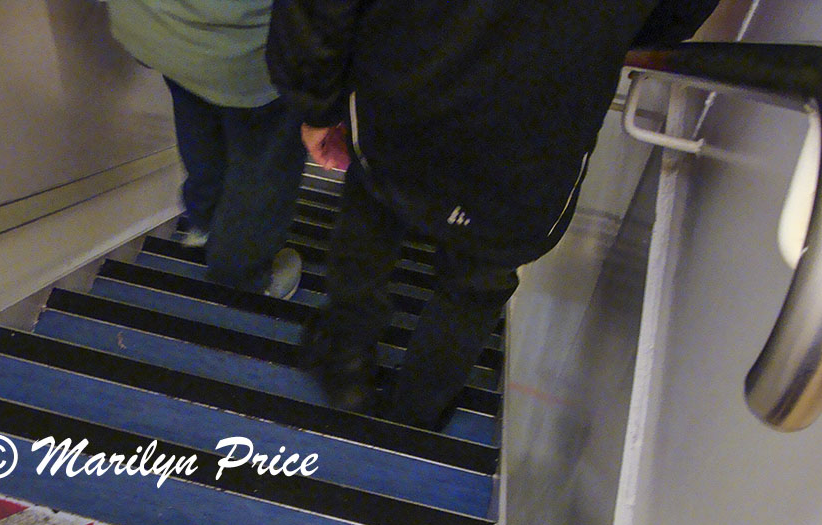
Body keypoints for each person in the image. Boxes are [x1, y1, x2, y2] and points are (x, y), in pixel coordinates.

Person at [267, 1, 721, 428]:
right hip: (541, 117)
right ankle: (420, 407)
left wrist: (316, 103)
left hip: (410, 74)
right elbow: (674, 15)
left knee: (373, 213)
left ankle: (346, 361)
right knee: (478, 280)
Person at [107, 0, 306, 299]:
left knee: (196, 109)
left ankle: (206, 221)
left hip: (156, 25)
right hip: (246, 49)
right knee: (265, 157)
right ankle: (240, 271)